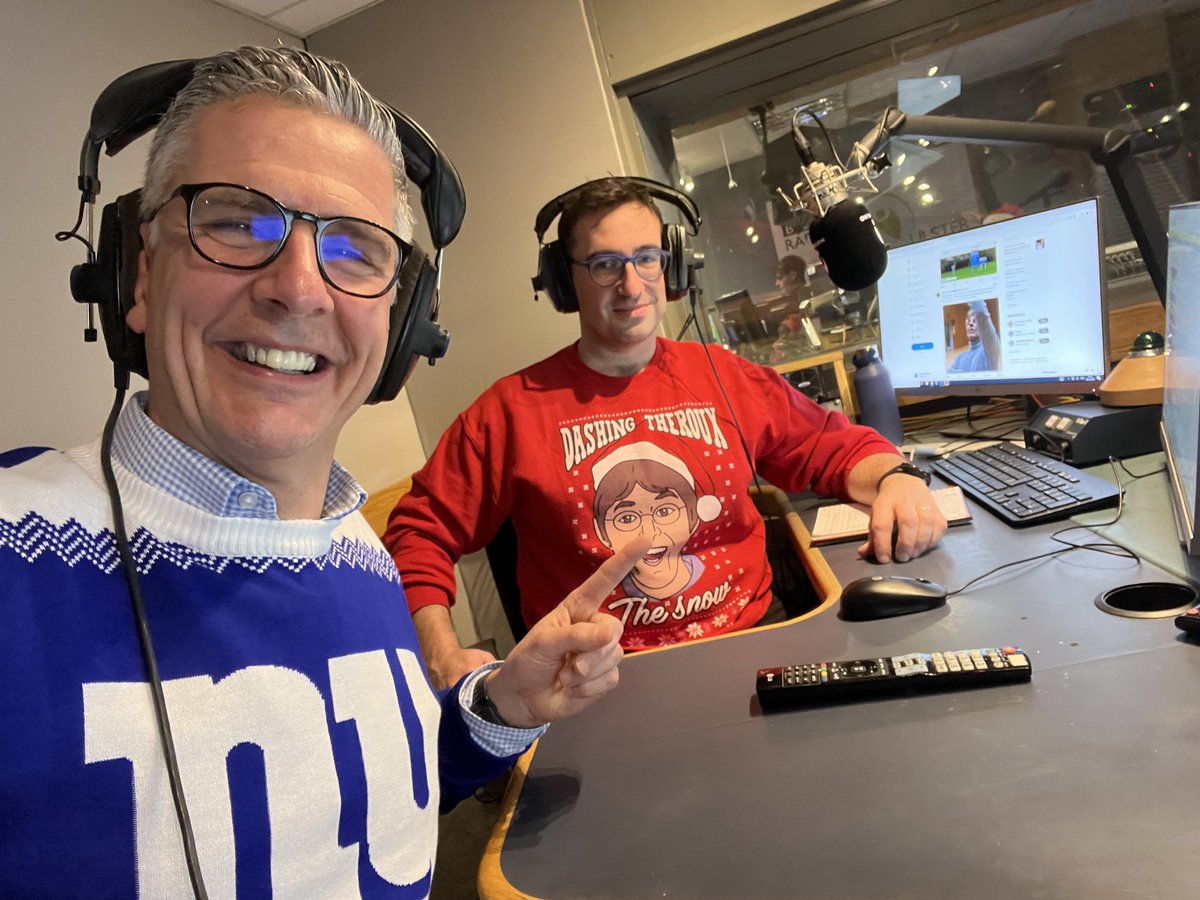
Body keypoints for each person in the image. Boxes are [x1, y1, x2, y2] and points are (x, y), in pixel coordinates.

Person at [0, 47, 646, 897]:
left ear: (402, 324)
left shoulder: (355, 550)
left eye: (353, 248)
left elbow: (368, 803)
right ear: (140, 274)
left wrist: (497, 711)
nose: (298, 289)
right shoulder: (17, 558)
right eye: (235, 221)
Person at [386, 177, 948, 689]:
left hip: (756, 649)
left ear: (672, 266)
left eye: (647, 259)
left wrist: (898, 479)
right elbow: (420, 534)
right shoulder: (508, 412)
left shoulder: (725, 376)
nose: (632, 285)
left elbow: (833, 447)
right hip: (595, 682)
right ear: (564, 280)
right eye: (605, 264)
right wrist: (440, 653)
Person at [948, 300, 1001, 372]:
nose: (971, 324)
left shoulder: (989, 351)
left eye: (974, 321)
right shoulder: (959, 359)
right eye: (969, 321)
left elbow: (982, 315)